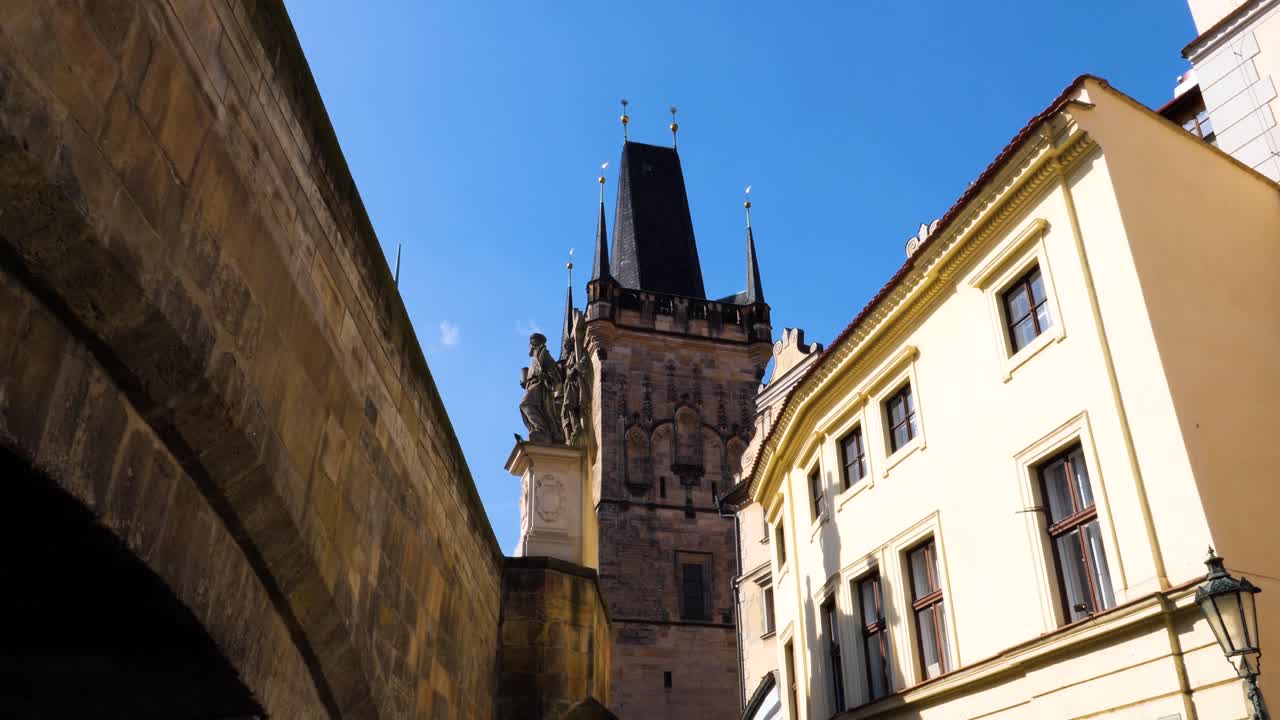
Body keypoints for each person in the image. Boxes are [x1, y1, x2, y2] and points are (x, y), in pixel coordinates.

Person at [519, 333, 563, 443]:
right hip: (532, 385)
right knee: (525, 406)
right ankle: (538, 429)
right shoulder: (535, 357)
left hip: (539, 385)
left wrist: (546, 377)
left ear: (534, 343)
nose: (528, 346)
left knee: (525, 404)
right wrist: (526, 381)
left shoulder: (544, 354)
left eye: (530, 343)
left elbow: (555, 374)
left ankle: (541, 430)